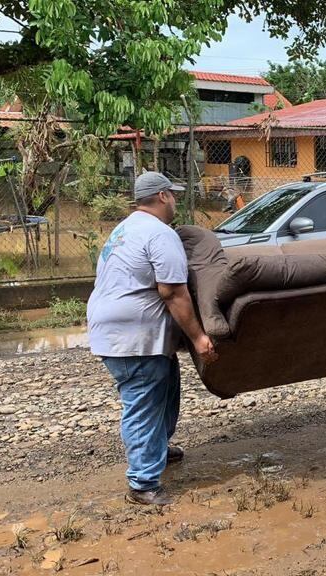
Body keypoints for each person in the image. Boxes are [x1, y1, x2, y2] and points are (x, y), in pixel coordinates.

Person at [87, 171, 218, 505]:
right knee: (144, 399)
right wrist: (199, 337)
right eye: (172, 195)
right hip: (133, 335)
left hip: (116, 326)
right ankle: (143, 484)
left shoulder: (125, 228)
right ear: (162, 196)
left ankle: (157, 449)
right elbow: (173, 292)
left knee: (165, 387)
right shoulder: (160, 234)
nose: (174, 200)